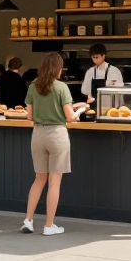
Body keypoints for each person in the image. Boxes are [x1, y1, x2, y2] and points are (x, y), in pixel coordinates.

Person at [22, 52, 79, 236]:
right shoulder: (62, 87)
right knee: (54, 181)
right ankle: (49, 225)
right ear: (58, 68)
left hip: (38, 134)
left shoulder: (33, 86)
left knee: (39, 179)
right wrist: (81, 110)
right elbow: (70, 117)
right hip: (57, 135)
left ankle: (28, 220)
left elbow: (29, 116)